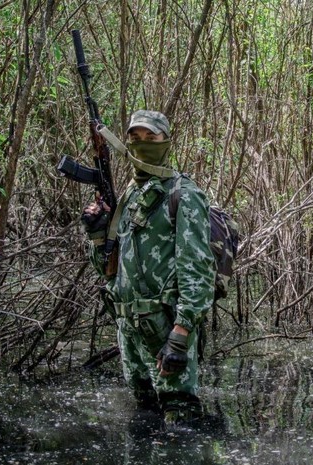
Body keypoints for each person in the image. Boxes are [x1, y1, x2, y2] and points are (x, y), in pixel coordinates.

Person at [82, 110, 216, 428]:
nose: (142, 144)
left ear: (166, 141)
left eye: (151, 138)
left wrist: (181, 335)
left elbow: (197, 270)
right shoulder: (128, 197)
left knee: (181, 423)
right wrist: (97, 234)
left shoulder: (183, 194)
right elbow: (108, 270)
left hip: (166, 327)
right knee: (144, 423)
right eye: (135, 138)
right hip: (130, 332)